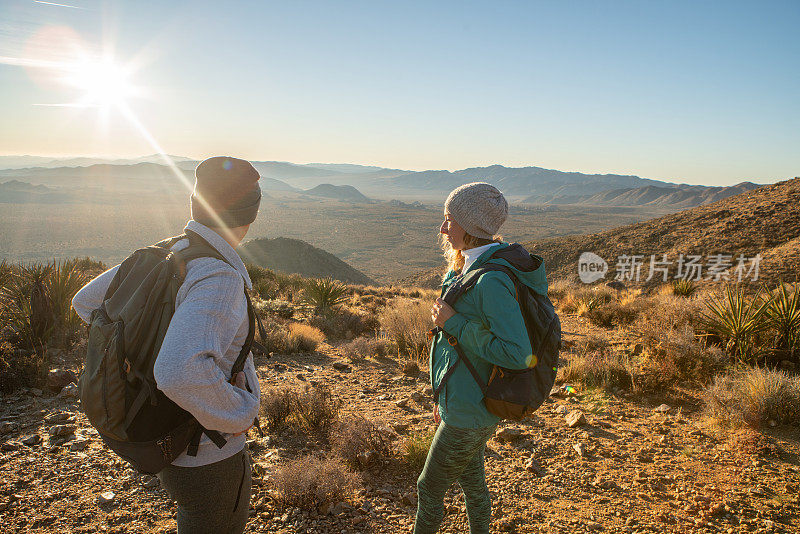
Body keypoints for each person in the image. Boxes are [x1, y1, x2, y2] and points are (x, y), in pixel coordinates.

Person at [71, 156, 263, 534]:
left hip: (160, 434)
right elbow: (178, 372)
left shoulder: (165, 251)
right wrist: (241, 412)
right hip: (206, 452)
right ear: (251, 213)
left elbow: (87, 302)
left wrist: (140, 356)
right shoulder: (218, 276)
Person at [415, 182, 548, 534]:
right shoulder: (466, 267)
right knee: (473, 483)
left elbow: (518, 354)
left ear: (471, 226)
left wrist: (453, 322)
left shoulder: (489, 281)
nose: (443, 229)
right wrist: (442, 398)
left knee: (428, 488)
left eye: (449, 220)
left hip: (470, 410)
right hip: (463, 403)